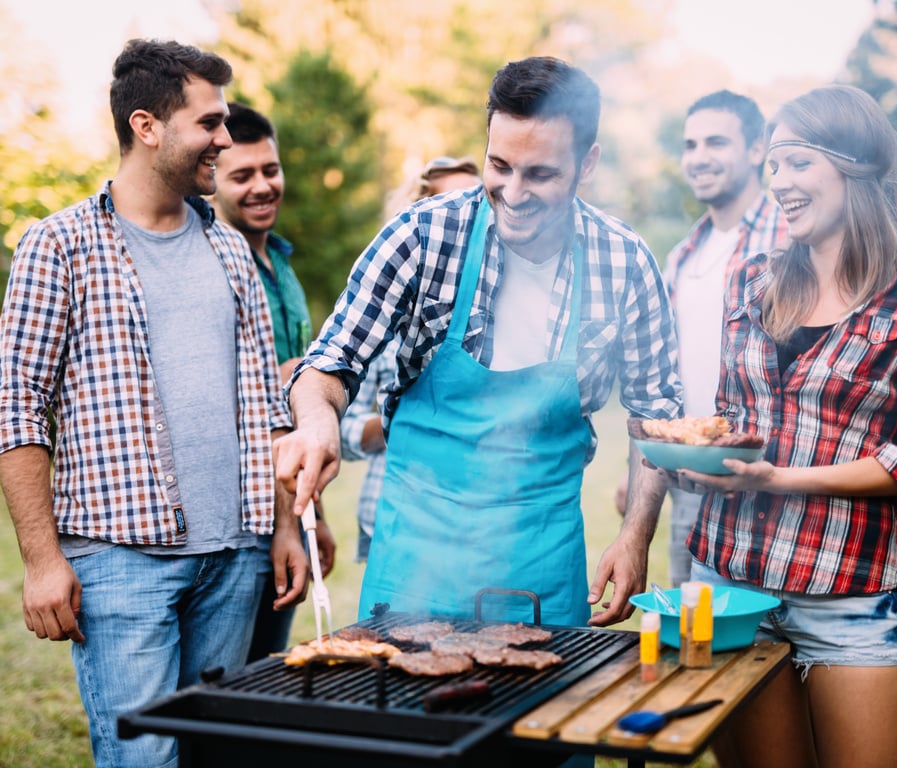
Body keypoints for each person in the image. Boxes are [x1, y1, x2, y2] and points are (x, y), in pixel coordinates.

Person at [0, 39, 308, 768]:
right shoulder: (56, 246)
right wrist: (42, 561)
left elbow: (269, 406)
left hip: (235, 558)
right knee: (145, 760)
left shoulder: (229, 249)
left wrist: (284, 527)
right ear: (147, 126)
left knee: (213, 753)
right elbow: (19, 410)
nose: (224, 140)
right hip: (119, 561)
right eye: (210, 123)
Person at [276, 56, 682, 629]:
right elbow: (330, 363)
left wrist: (636, 538)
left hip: (539, 560)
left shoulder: (626, 262)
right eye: (500, 165)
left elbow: (655, 415)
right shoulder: (421, 234)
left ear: (586, 163)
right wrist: (317, 424)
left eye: (540, 174)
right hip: (415, 554)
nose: (513, 193)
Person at [672, 85, 897, 768]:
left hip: (845, 589)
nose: (778, 183)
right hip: (727, 580)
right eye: (773, 166)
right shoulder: (754, 279)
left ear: (854, 165)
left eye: (797, 163)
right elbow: (734, 417)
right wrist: (696, 450)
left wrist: (786, 479)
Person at [614, 90, 788, 587]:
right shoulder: (684, 254)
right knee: (697, 628)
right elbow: (665, 375)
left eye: (716, 142)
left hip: (764, 472)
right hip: (687, 474)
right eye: (690, 145)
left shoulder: (790, 236)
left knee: (766, 636)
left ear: (757, 149)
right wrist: (646, 467)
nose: (698, 157)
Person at [213, 101, 336, 662]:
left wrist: (316, 521)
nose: (263, 186)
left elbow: (303, 411)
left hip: (289, 509)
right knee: (222, 684)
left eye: (270, 170)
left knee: (267, 671)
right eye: (242, 176)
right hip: (235, 518)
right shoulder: (210, 263)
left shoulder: (283, 267)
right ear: (211, 177)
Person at [340, 155, 481, 563]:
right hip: (390, 519)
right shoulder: (383, 322)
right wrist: (405, 421)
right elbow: (344, 429)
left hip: (472, 525)